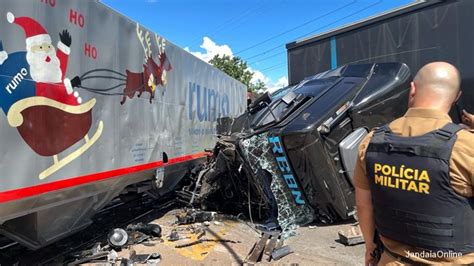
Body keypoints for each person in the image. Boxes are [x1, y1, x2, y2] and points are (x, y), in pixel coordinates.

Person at [354, 61, 474, 265]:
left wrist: (370, 247)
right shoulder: (467, 146)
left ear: (412, 89)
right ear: (457, 97)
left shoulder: (371, 141)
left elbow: (363, 205)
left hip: (391, 259)